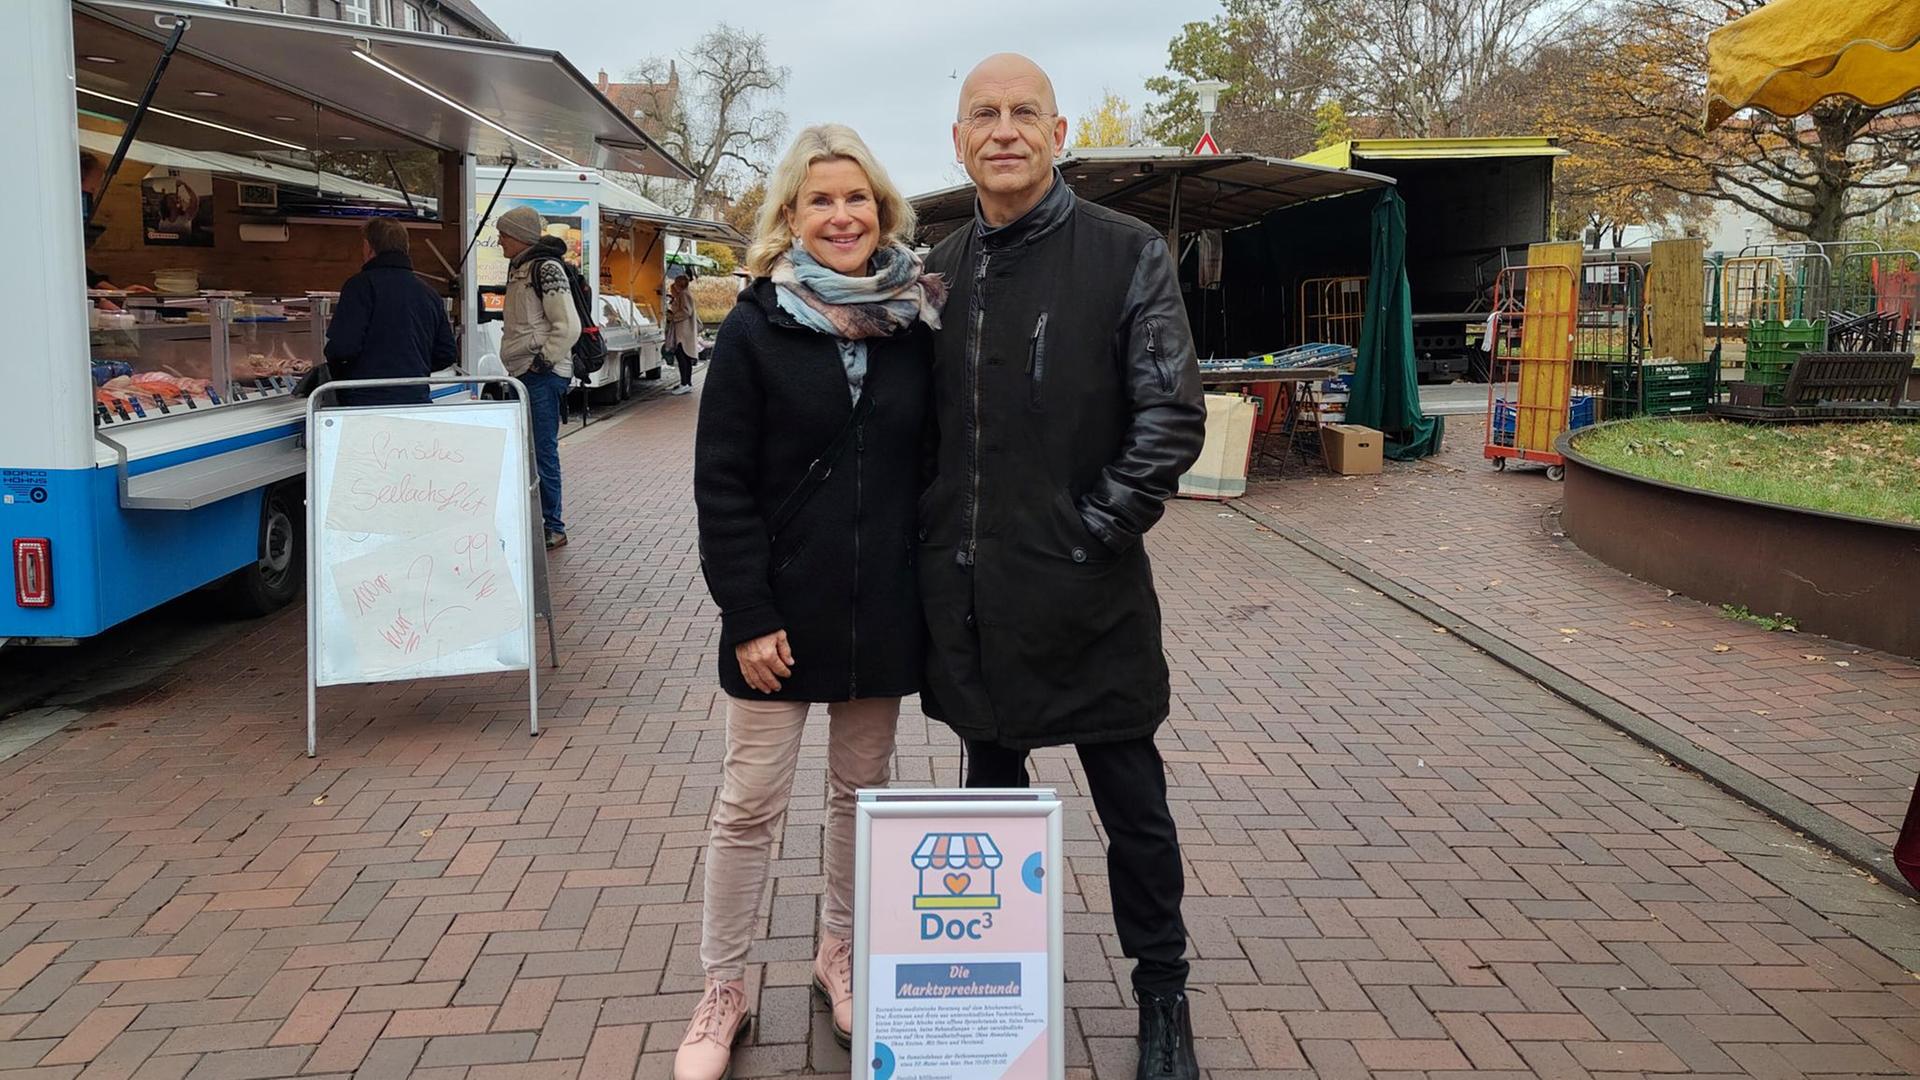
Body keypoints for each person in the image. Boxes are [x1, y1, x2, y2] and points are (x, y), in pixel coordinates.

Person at [919, 54, 1207, 1080]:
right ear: (958, 141)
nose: (1003, 130)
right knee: (986, 813)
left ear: (1057, 131)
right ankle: (989, 1000)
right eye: (983, 115)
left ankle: (1162, 993)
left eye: (1022, 113)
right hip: (976, 606)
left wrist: (1093, 531)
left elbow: (1171, 414)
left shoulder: (1127, 253)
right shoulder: (936, 270)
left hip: (1089, 597)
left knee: (1133, 806)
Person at [679, 123, 943, 1080]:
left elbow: (928, 467)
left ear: (883, 212)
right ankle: (724, 986)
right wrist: (746, 612)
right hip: (776, 618)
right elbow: (723, 484)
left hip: (878, 609)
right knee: (749, 805)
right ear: (789, 216)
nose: (841, 216)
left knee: (858, 799)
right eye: (821, 200)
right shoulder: (757, 325)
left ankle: (838, 952)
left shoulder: (916, 323)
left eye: (857, 198)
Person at [495, 205, 581, 550]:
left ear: (518, 236)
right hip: (524, 372)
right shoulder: (521, 268)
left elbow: (567, 325)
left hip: (539, 375)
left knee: (543, 450)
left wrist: (541, 364)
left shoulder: (545, 269)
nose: (499, 240)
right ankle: (542, 521)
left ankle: (553, 526)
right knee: (532, 450)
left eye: (503, 234)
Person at [321, 218, 457, 407]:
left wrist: (343, 374)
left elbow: (342, 348)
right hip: (416, 399)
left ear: (369, 248)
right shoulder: (428, 292)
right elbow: (447, 353)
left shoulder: (360, 286)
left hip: (365, 401)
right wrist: (414, 369)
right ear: (406, 248)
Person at [665, 269, 701, 395]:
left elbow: (686, 311)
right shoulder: (684, 294)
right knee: (685, 357)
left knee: (682, 357)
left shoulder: (684, 295)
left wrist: (673, 317)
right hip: (685, 332)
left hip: (683, 332)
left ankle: (685, 383)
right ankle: (686, 383)